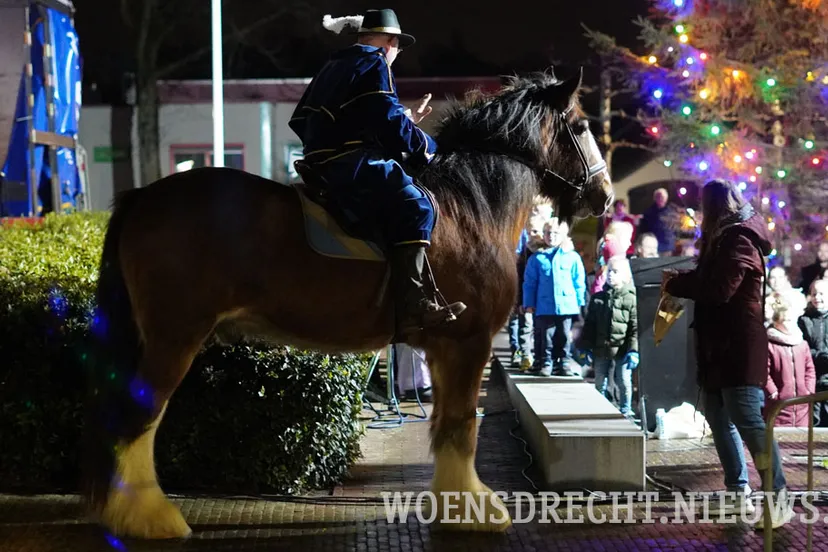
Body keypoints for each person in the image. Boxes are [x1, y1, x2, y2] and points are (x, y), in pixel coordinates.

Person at [288, 9, 465, 338]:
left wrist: (406, 120)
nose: (397, 52)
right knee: (418, 204)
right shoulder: (374, 61)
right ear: (391, 42)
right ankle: (414, 307)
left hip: (321, 161)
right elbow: (388, 121)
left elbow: (366, 118)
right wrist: (428, 146)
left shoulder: (336, 63)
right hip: (352, 163)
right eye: (398, 46)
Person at [662, 179, 792, 529]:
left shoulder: (739, 239)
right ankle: (738, 490)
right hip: (720, 347)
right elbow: (712, 278)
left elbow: (720, 289)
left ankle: (778, 496)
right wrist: (685, 278)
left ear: (714, 206)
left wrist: (679, 284)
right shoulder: (728, 236)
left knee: (748, 420)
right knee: (718, 416)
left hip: (738, 345)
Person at [523, 218, 586, 377]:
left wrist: (579, 301)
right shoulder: (537, 258)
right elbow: (529, 283)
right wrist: (528, 303)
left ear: (564, 235)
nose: (551, 236)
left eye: (556, 233)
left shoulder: (572, 257)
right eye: (548, 233)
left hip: (566, 305)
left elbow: (579, 280)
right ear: (543, 235)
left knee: (564, 336)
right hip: (544, 305)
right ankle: (546, 362)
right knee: (547, 336)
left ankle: (564, 362)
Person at [579, 256, 639, 418]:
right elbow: (589, 326)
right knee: (600, 379)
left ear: (626, 276)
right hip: (601, 348)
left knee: (624, 381)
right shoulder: (598, 298)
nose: (611, 275)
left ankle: (625, 409)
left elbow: (635, 328)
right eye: (609, 271)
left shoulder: (631, 299)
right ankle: (601, 407)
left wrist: (633, 350)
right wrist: (585, 347)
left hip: (622, 350)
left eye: (616, 272)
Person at [764, 288, 815, 428]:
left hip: (802, 406)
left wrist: (809, 391)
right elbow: (764, 372)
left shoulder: (802, 344)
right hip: (779, 407)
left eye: (791, 319)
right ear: (777, 321)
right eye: (785, 320)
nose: (789, 323)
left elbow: (809, 369)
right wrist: (774, 393)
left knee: (802, 442)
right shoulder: (770, 345)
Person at [799, 279, 828, 426]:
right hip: (813, 377)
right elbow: (802, 348)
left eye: (822, 294)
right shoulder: (804, 320)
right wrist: (820, 356)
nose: (818, 297)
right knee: (814, 421)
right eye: (814, 294)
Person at [639, 188, 678, 255]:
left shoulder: (671, 212)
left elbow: (675, 228)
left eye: (662, 197)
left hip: (667, 246)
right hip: (652, 245)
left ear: (666, 198)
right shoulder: (649, 212)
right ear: (654, 198)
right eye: (658, 197)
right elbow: (643, 229)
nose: (660, 199)